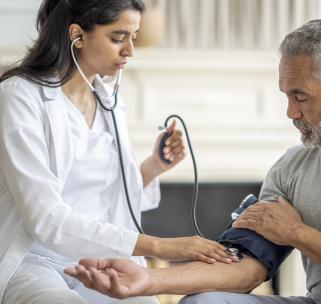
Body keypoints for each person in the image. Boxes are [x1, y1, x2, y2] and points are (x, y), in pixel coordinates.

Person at [65, 18, 321, 304]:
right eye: (286, 96)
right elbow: (247, 267)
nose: (290, 112)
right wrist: (150, 281)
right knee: (205, 302)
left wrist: (298, 234)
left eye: (301, 97)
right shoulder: (292, 166)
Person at [0, 1, 238, 304]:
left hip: (98, 262)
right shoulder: (20, 96)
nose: (130, 51)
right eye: (118, 38)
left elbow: (107, 199)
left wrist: (153, 167)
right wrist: (162, 247)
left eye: (134, 37)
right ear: (78, 35)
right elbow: (45, 218)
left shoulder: (110, 100)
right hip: (34, 260)